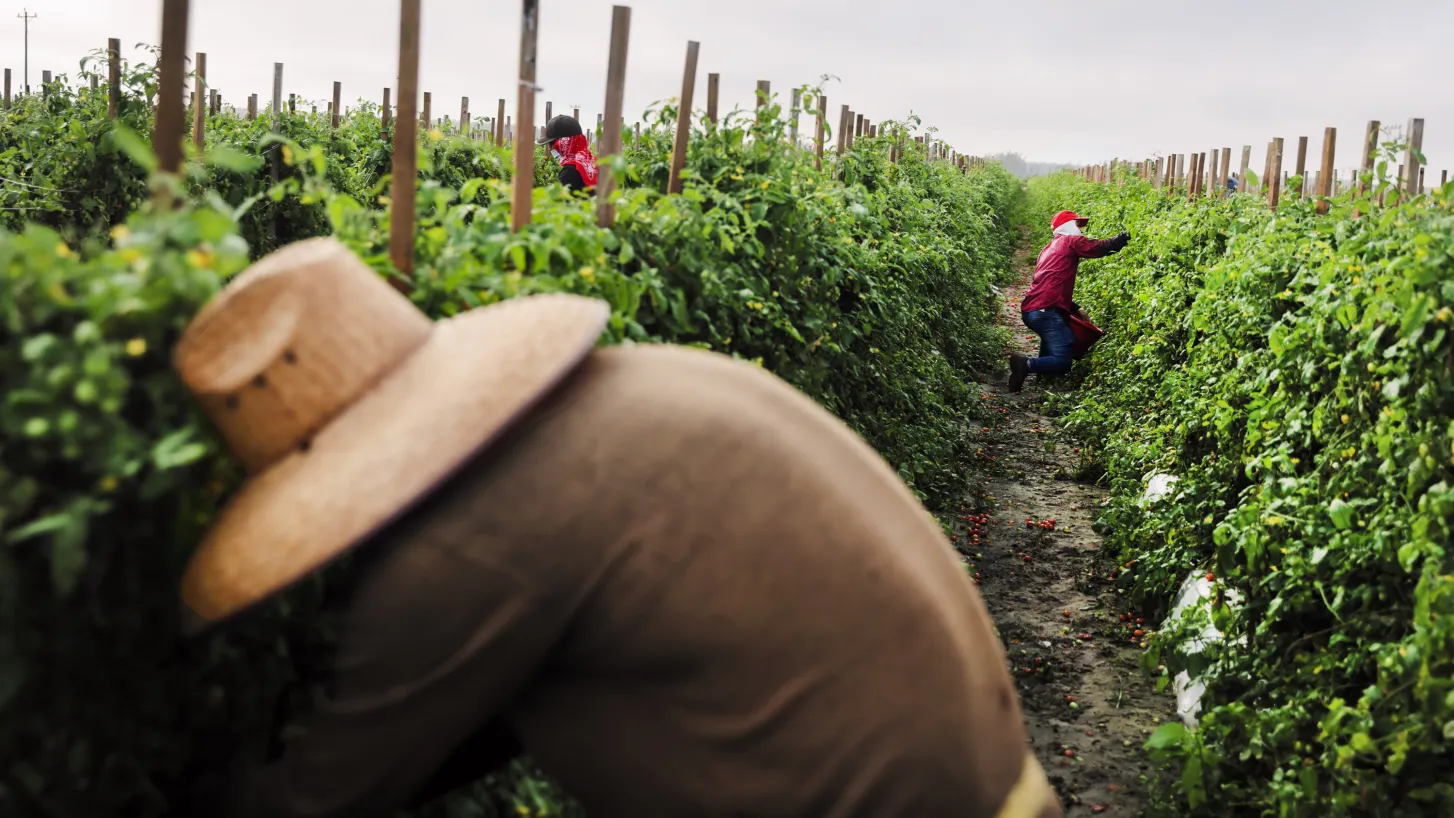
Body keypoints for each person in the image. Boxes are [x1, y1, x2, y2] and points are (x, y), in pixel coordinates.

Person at [178, 237, 1064, 818]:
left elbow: (319, 798)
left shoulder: (468, 545)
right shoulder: (630, 387)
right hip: (999, 784)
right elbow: (502, 701)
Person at [1008, 211, 1129, 392]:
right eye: (1077, 225)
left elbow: (1051, 286)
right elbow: (1099, 247)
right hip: (1045, 311)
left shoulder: (1049, 248)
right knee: (1063, 360)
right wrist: (1124, 238)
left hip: (1033, 310)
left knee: (1052, 341)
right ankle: (1025, 364)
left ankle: (1040, 377)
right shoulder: (1070, 241)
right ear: (1069, 225)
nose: (1080, 230)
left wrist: (1076, 308)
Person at [537, 114, 598, 194]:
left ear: (564, 142)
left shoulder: (570, 172)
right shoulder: (593, 162)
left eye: (552, 143)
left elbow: (561, 204)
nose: (550, 148)